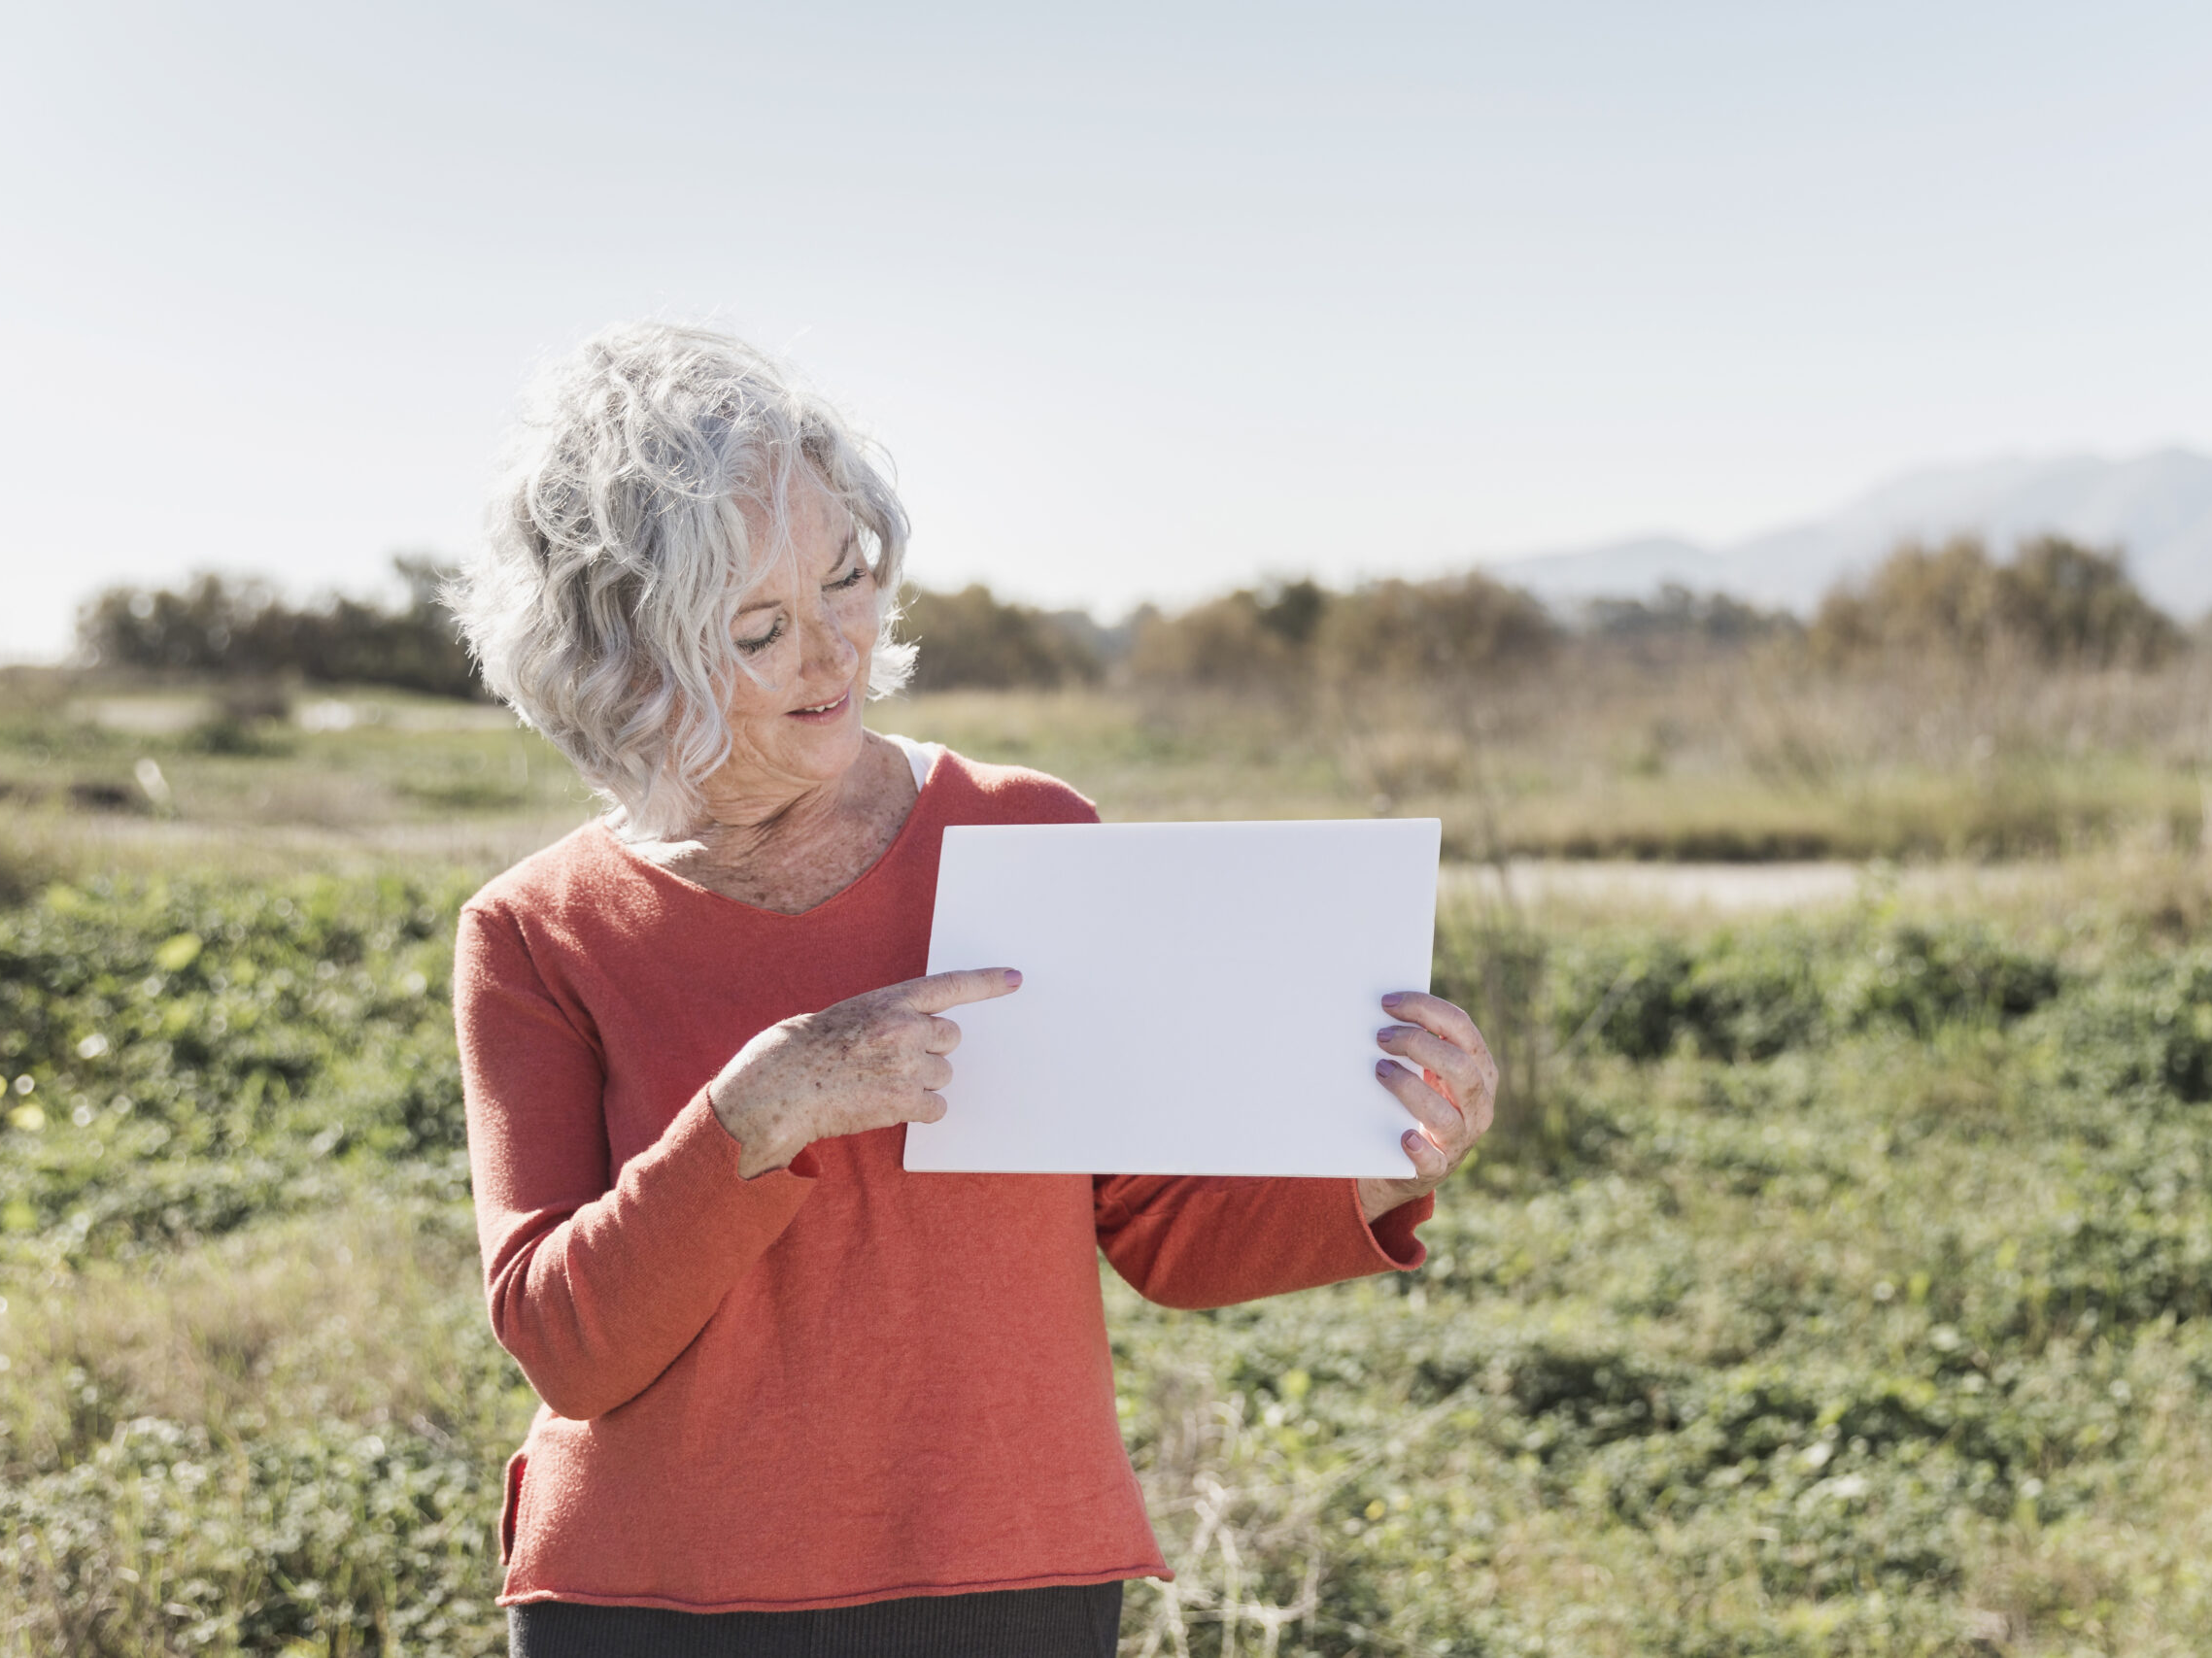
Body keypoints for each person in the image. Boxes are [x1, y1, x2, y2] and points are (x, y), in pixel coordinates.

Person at [446, 322, 1499, 1658]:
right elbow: (564, 1345)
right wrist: (751, 1121)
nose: (834, 654)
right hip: (651, 1600)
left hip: (1006, 1578)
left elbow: (1159, 1228)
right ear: (625, 664)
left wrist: (1388, 1161)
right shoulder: (536, 933)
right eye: (762, 628)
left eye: (846, 583)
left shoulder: (1027, 835)